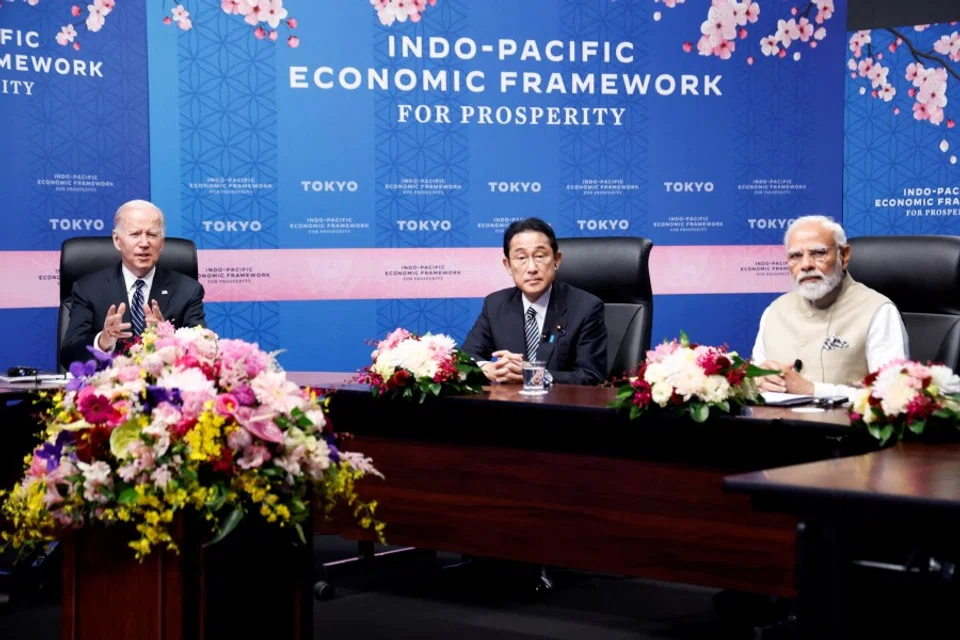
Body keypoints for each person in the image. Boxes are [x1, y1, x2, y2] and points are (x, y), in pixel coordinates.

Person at [752, 215, 908, 399]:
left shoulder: (878, 311)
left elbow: (893, 396)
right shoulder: (774, 312)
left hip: (843, 426)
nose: (806, 265)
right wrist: (757, 381)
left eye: (818, 253)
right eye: (796, 256)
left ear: (844, 255)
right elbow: (754, 381)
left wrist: (814, 390)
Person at [59, 200, 206, 369]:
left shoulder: (187, 290)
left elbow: (204, 350)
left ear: (162, 242)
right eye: (135, 234)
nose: (144, 243)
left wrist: (169, 339)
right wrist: (102, 341)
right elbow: (69, 354)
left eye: (152, 235)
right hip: (108, 389)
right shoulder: (88, 289)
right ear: (117, 240)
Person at [462, 217, 607, 385]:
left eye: (540, 256)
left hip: (560, 407)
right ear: (508, 265)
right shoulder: (495, 304)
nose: (531, 268)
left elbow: (591, 375)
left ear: (556, 260)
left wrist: (534, 375)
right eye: (521, 258)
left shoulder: (586, 307)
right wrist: (488, 368)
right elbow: (467, 358)